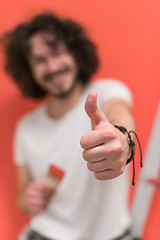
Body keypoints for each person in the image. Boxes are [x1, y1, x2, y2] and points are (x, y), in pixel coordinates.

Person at [2, 12, 136, 240]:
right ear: (30, 70)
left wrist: (122, 139)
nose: (52, 67)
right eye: (40, 60)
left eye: (57, 53)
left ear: (74, 54)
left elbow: (118, 112)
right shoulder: (26, 127)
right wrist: (29, 200)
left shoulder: (106, 92)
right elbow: (22, 197)